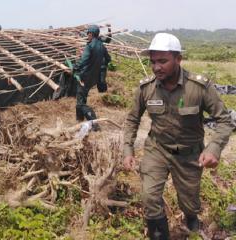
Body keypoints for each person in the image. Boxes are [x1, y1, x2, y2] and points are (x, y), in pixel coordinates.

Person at [123, 33, 233, 239]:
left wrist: (213, 148)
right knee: (149, 197)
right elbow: (131, 120)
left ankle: (190, 218)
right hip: (157, 149)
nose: (156, 67)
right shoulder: (145, 88)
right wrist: (128, 149)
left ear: (178, 59)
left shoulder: (199, 87)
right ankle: (159, 234)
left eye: (163, 61)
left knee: (190, 203)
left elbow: (225, 120)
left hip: (190, 154)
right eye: (153, 61)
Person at [74, 25, 111, 129]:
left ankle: (94, 124)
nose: (87, 36)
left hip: (84, 77)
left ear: (91, 34)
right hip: (93, 77)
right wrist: (100, 66)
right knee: (81, 98)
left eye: (88, 34)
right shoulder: (101, 46)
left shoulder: (90, 46)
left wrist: (75, 67)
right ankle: (79, 121)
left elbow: (83, 60)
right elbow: (108, 58)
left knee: (80, 102)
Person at [97, 24, 112, 93]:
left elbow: (108, 39)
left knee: (102, 80)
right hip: (95, 66)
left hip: (102, 65)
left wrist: (109, 29)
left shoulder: (101, 41)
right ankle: (100, 92)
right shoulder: (91, 42)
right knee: (98, 81)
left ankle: (104, 92)